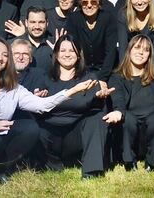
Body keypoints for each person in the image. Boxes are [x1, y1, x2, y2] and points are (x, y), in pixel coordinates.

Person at [0, 37, 97, 183]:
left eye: (5, 55)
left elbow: (42, 105)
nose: (0, 58)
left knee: (30, 129)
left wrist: (71, 91)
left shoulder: (13, 87)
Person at [36, 35, 113, 178]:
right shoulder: (44, 77)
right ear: (56, 54)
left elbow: (96, 107)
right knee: (35, 126)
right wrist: (38, 98)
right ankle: (53, 165)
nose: (67, 54)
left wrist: (99, 97)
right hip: (51, 135)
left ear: (78, 55)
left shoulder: (89, 77)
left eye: (71, 50)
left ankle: (91, 171)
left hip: (76, 137)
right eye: (63, 50)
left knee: (97, 117)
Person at [105, 35, 154, 171]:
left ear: (150, 55)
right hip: (130, 133)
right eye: (137, 47)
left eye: (146, 50)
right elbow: (118, 100)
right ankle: (129, 161)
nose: (141, 52)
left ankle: (151, 162)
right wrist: (118, 111)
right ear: (129, 50)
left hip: (153, 133)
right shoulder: (117, 77)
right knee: (126, 118)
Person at [65, 0, 118, 82]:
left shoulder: (108, 18)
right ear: (80, 3)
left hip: (106, 71)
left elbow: (110, 52)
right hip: (81, 72)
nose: (89, 5)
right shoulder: (73, 19)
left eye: (93, 2)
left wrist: (102, 78)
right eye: (85, 2)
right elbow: (74, 48)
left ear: (99, 3)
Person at [5, 6, 54, 72]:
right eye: (33, 22)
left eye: (41, 22)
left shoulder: (54, 44)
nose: (37, 26)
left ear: (47, 23)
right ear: (26, 23)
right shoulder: (13, 44)